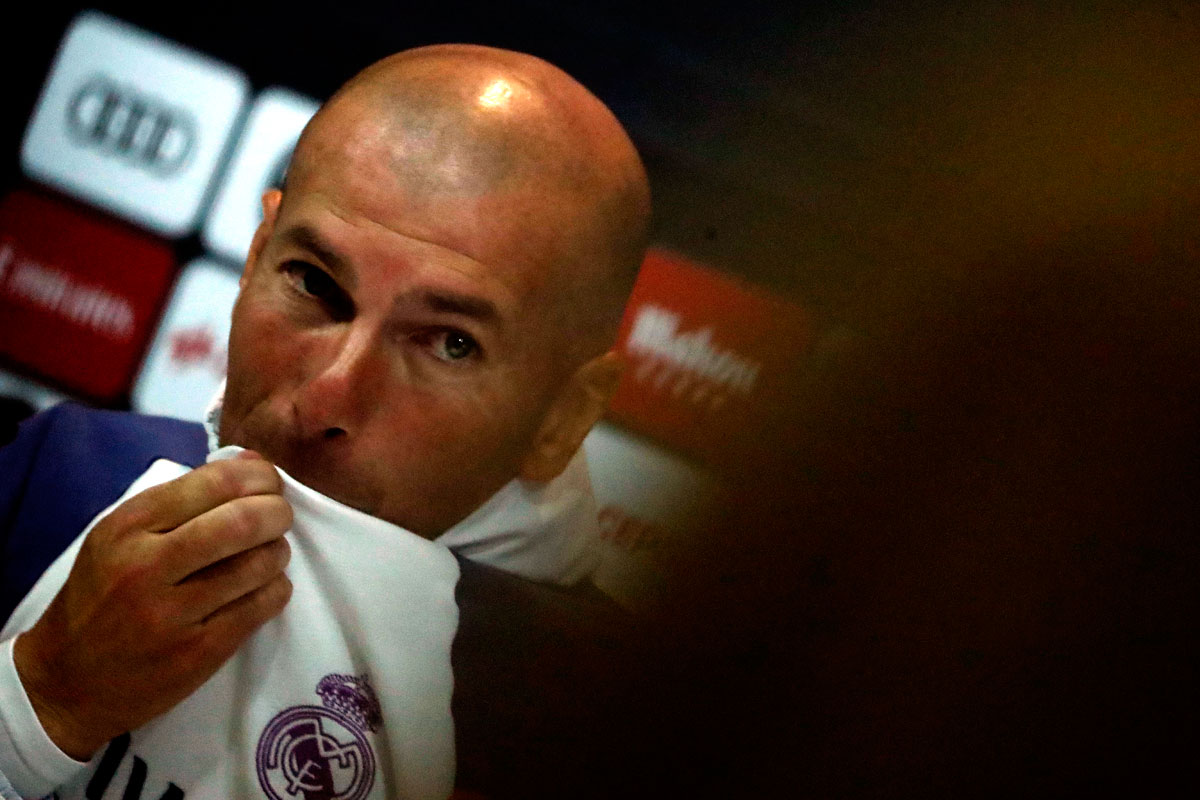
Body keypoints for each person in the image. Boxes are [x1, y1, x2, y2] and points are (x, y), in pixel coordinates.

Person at [0, 43, 655, 799]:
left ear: (561, 421)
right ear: (254, 262)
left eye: (449, 343)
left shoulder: (620, 730)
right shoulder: (60, 475)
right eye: (314, 283)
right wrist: (40, 701)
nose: (327, 399)